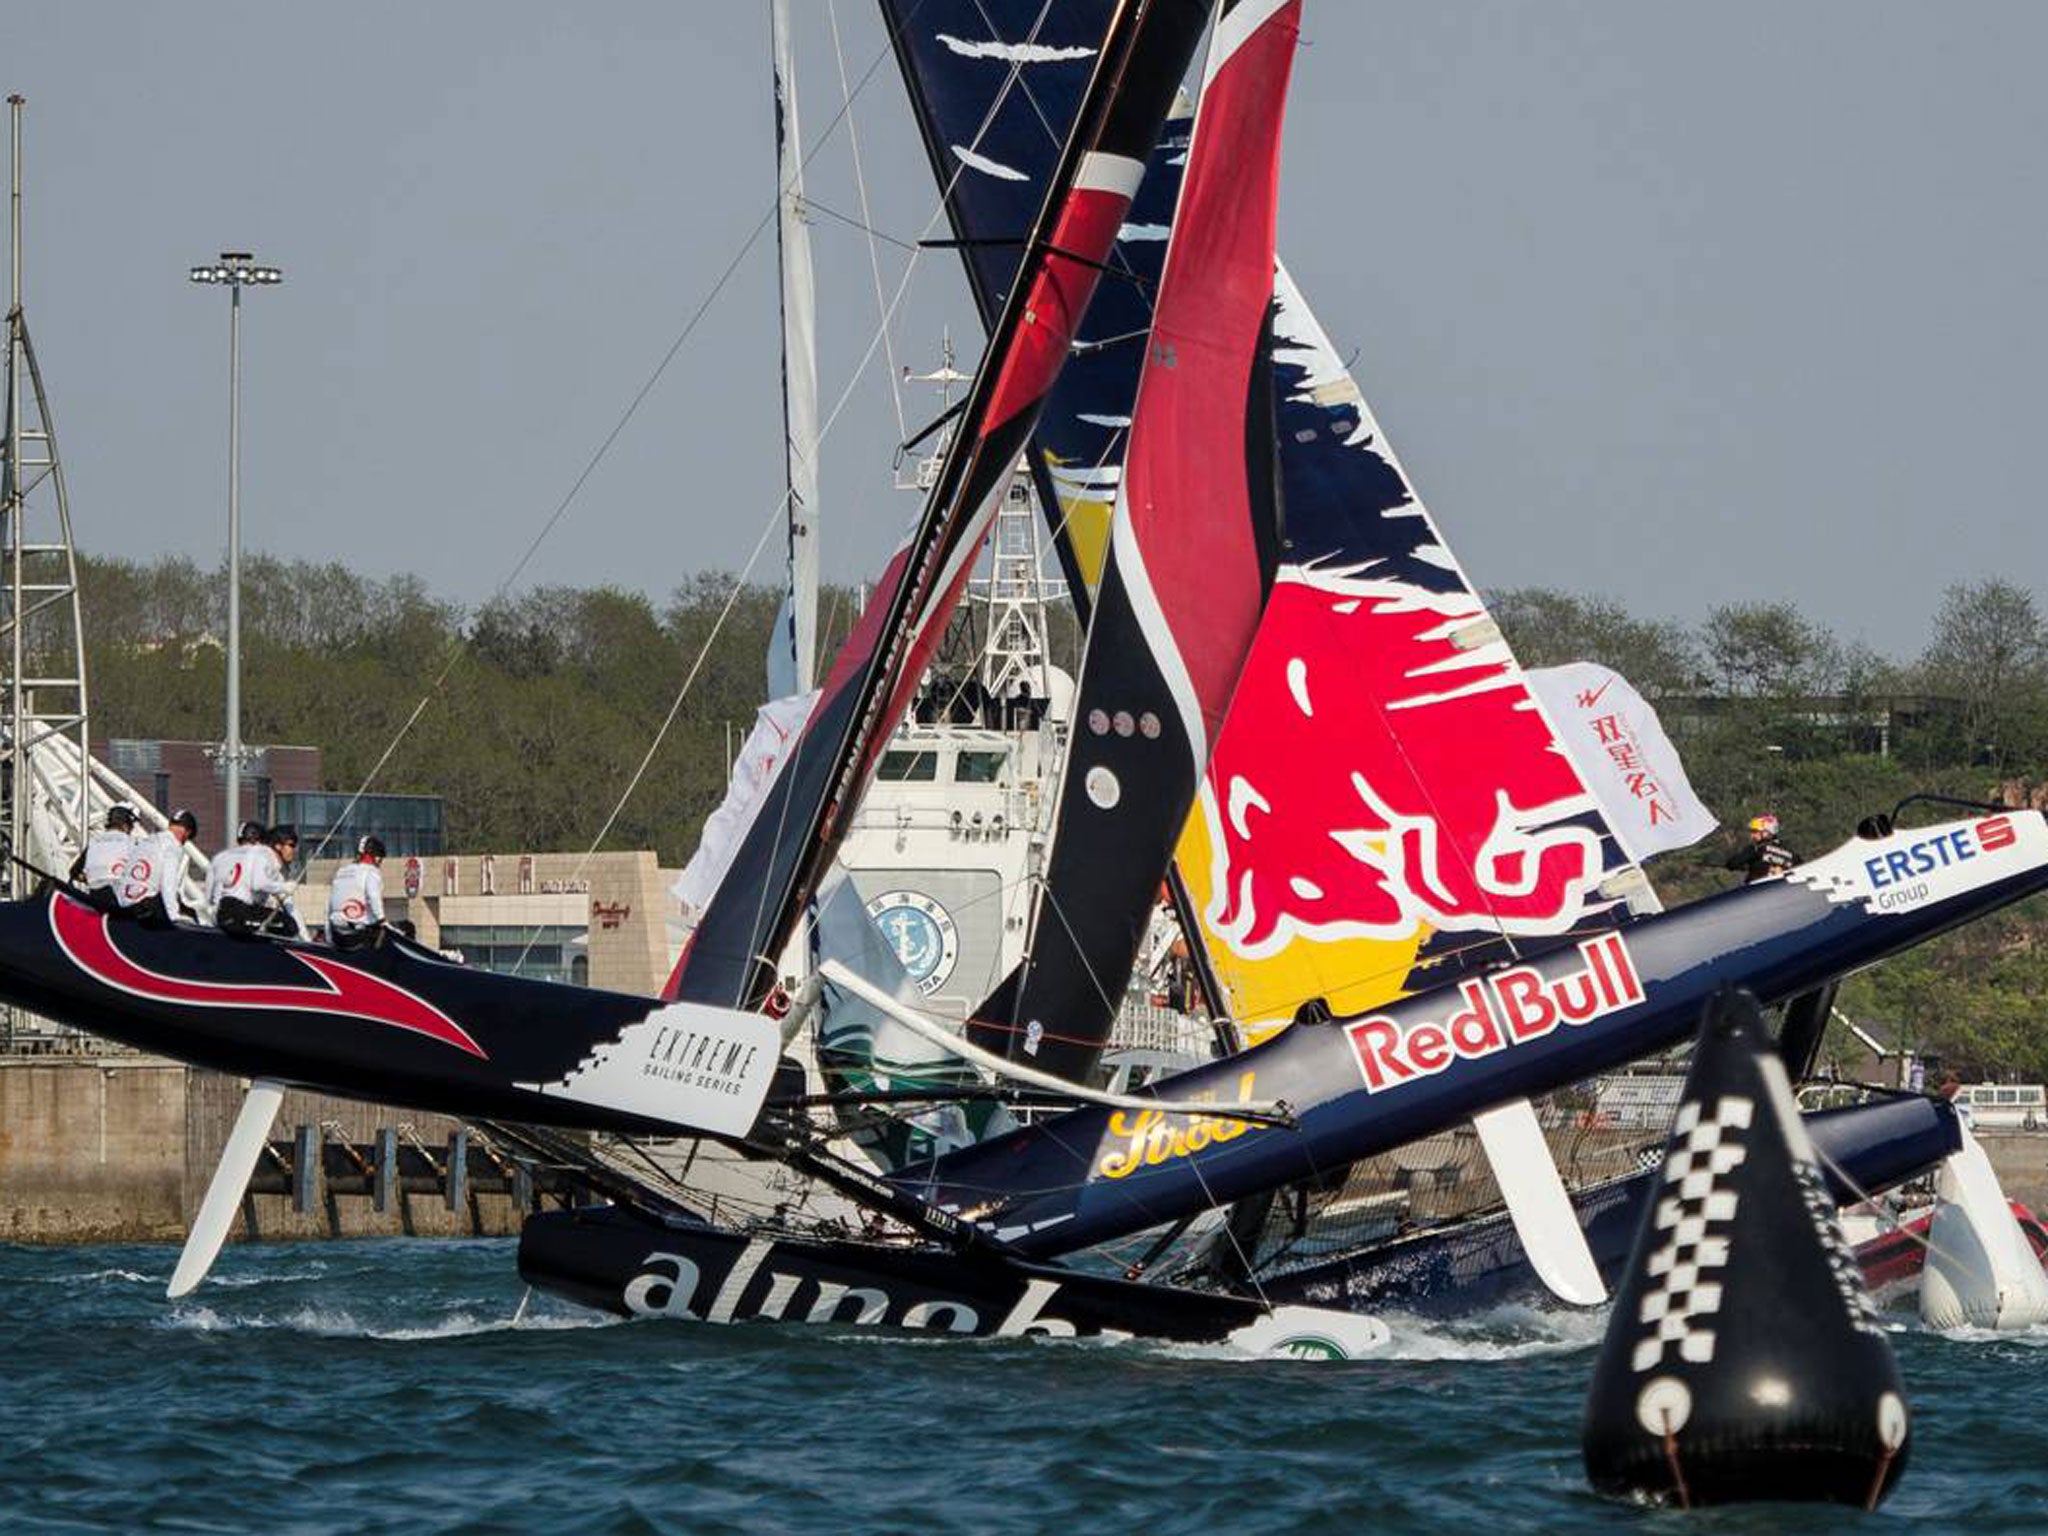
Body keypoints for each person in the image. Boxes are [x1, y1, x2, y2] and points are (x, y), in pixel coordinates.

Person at [129, 808, 200, 925]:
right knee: (190, 915)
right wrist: (173, 915)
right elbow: (168, 882)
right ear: (187, 832)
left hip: (129, 902)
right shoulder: (172, 845)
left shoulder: (149, 840)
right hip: (147, 906)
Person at [71, 803, 141, 915]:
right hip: (121, 905)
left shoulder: (93, 845)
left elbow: (74, 872)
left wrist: (90, 878)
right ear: (126, 824)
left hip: (96, 902)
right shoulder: (132, 845)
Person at [327, 835, 388, 950]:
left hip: (337, 935)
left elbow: (331, 904)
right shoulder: (371, 872)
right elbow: (373, 895)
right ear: (376, 857)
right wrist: (382, 920)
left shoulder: (341, 871)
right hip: (359, 936)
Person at [1724, 812, 1798, 884]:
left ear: (1766, 832)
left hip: (1757, 893)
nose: (1752, 836)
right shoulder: (1792, 854)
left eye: (1755, 832)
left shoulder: (1757, 849)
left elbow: (1732, 864)